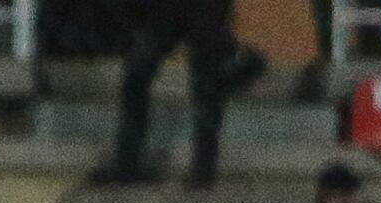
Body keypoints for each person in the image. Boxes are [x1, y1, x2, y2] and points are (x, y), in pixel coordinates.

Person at [87, 0, 263, 190]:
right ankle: (200, 170)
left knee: (146, 78)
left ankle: (131, 161)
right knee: (203, 88)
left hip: (178, 10)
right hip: (189, 10)